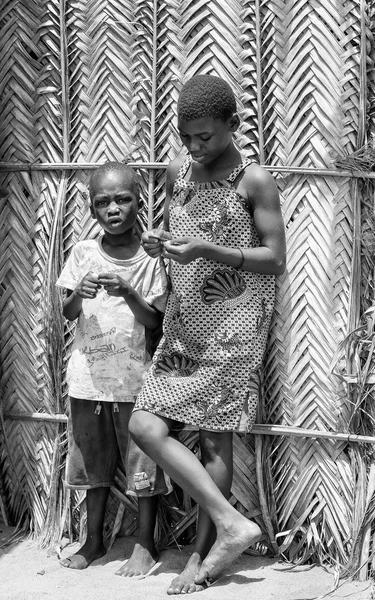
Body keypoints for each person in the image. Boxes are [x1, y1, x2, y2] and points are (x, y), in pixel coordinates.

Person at [129, 74, 286, 594]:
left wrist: (206, 253)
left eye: (206, 137)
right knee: (146, 426)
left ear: (233, 126)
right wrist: (161, 244)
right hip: (182, 318)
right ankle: (231, 523)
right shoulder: (179, 171)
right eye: (186, 136)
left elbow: (274, 259)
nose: (194, 147)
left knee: (216, 440)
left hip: (234, 327)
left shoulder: (254, 180)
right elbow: (184, 231)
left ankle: (201, 557)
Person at [56, 161, 171, 575]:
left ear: (139, 201)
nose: (113, 209)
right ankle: (93, 540)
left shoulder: (149, 259)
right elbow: (68, 313)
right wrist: (79, 294)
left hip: (135, 382)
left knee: (142, 462)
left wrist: (128, 292)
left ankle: (145, 542)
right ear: (90, 208)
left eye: (122, 199)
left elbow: (154, 320)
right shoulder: (83, 253)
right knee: (92, 462)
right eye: (102, 202)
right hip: (88, 380)